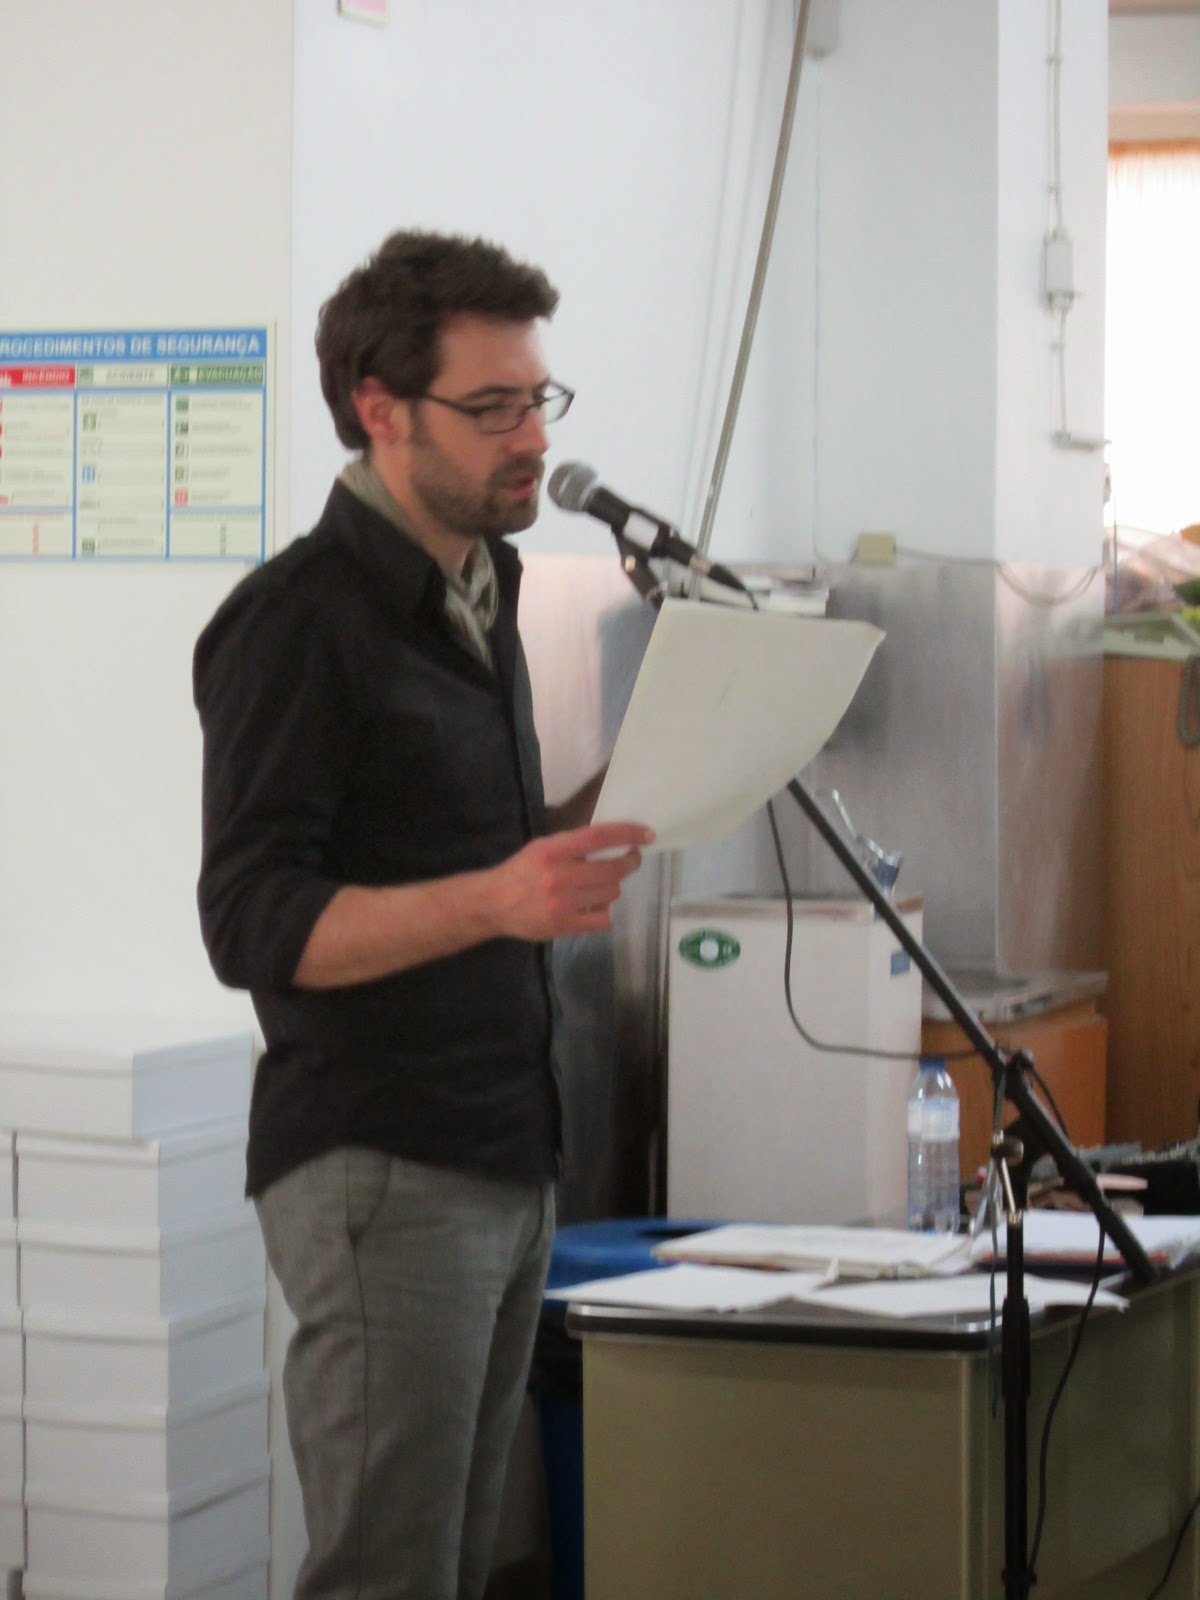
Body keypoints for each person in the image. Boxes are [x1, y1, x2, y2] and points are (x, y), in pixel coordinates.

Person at [193, 229, 652, 1600]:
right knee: (388, 1571)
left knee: (460, 1562)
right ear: (382, 410)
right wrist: (501, 897)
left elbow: (479, 853)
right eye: (492, 407)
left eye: (538, 399)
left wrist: (635, 789)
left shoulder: (484, 586)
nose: (533, 439)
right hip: (381, 1162)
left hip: (507, 1143)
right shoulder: (296, 621)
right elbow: (252, 920)